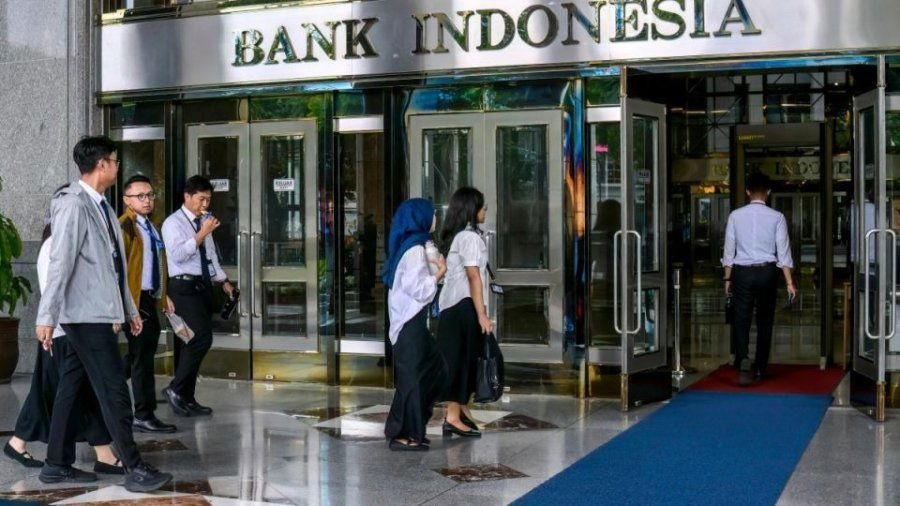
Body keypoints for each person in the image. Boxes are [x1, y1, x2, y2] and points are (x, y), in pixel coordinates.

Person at [35, 135, 172, 491]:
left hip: (98, 311)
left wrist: (129, 309)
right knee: (114, 391)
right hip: (85, 316)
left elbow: (114, 267)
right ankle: (134, 467)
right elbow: (60, 262)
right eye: (114, 160)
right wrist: (46, 317)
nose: (117, 166)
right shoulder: (73, 205)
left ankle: (55, 464)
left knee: (71, 386)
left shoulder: (102, 207)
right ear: (102, 165)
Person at [4, 206, 124, 476]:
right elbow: (57, 290)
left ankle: (24, 444)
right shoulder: (55, 245)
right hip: (64, 332)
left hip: (66, 330)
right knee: (72, 393)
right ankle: (63, 459)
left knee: (64, 391)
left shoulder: (62, 243)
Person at [161, 175, 235, 416]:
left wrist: (223, 280)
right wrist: (202, 233)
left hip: (202, 286)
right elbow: (178, 255)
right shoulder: (173, 223)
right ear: (187, 196)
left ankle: (187, 397)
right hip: (182, 288)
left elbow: (210, 256)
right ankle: (175, 389)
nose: (205, 204)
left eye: (208, 199)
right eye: (201, 199)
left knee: (190, 342)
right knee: (200, 339)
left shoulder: (204, 221)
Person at [382, 199, 449, 451]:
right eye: (432, 214)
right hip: (408, 323)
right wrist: (440, 273)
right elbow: (418, 289)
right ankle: (403, 434)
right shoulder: (413, 250)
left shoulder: (416, 245)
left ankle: (408, 428)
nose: (435, 218)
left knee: (433, 370)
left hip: (412, 321)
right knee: (412, 379)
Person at [722, 172, 797, 387]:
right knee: (765, 319)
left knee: (741, 318)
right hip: (767, 272)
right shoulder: (777, 217)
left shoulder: (735, 216)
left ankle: (743, 358)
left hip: (742, 273)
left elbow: (729, 251)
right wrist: (789, 282)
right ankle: (760, 367)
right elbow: (783, 253)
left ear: (747, 191)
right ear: (769, 192)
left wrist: (727, 280)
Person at [119, 174, 178, 434]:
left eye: (150, 195)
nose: (147, 200)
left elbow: (156, 267)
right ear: (127, 199)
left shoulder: (150, 227)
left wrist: (163, 296)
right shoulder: (125, 226)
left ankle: (96, 388)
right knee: (142, 357)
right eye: (140, 196)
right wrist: (127, 307)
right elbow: (119, 269)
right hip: (133, 299)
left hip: (147, 297)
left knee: (139, 354)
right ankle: (143, 414)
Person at [436, 187, 490, 438]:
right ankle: (452, 417)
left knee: (462, 359)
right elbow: (473, 276)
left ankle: (461, 411)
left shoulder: (461, 236)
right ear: (471, 209)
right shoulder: (468, 238)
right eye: (481, 206)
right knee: (459, 361)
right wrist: (482, 314)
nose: (485, 210)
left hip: (455, 306)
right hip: (463, 306)